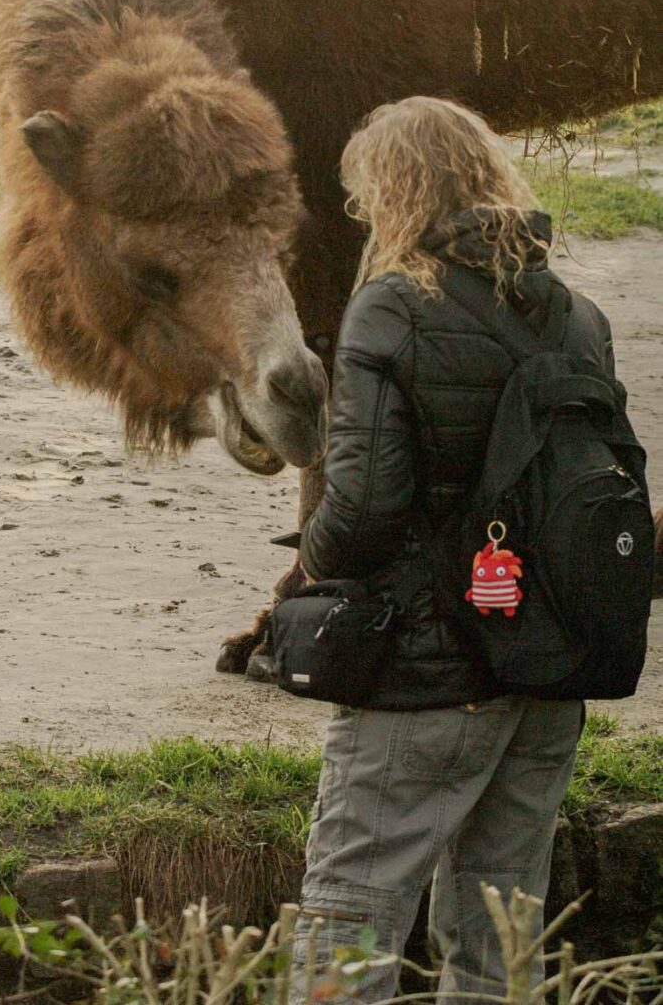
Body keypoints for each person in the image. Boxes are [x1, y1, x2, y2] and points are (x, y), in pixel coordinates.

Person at [291, 96, 620, 1002]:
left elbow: (360, 514)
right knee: (501, 929)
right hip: (547, 667)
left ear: (392, 194)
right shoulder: (579, 318)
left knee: (350, 911)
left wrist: (309, 566)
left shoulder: (390, 309)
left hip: (427, 669)